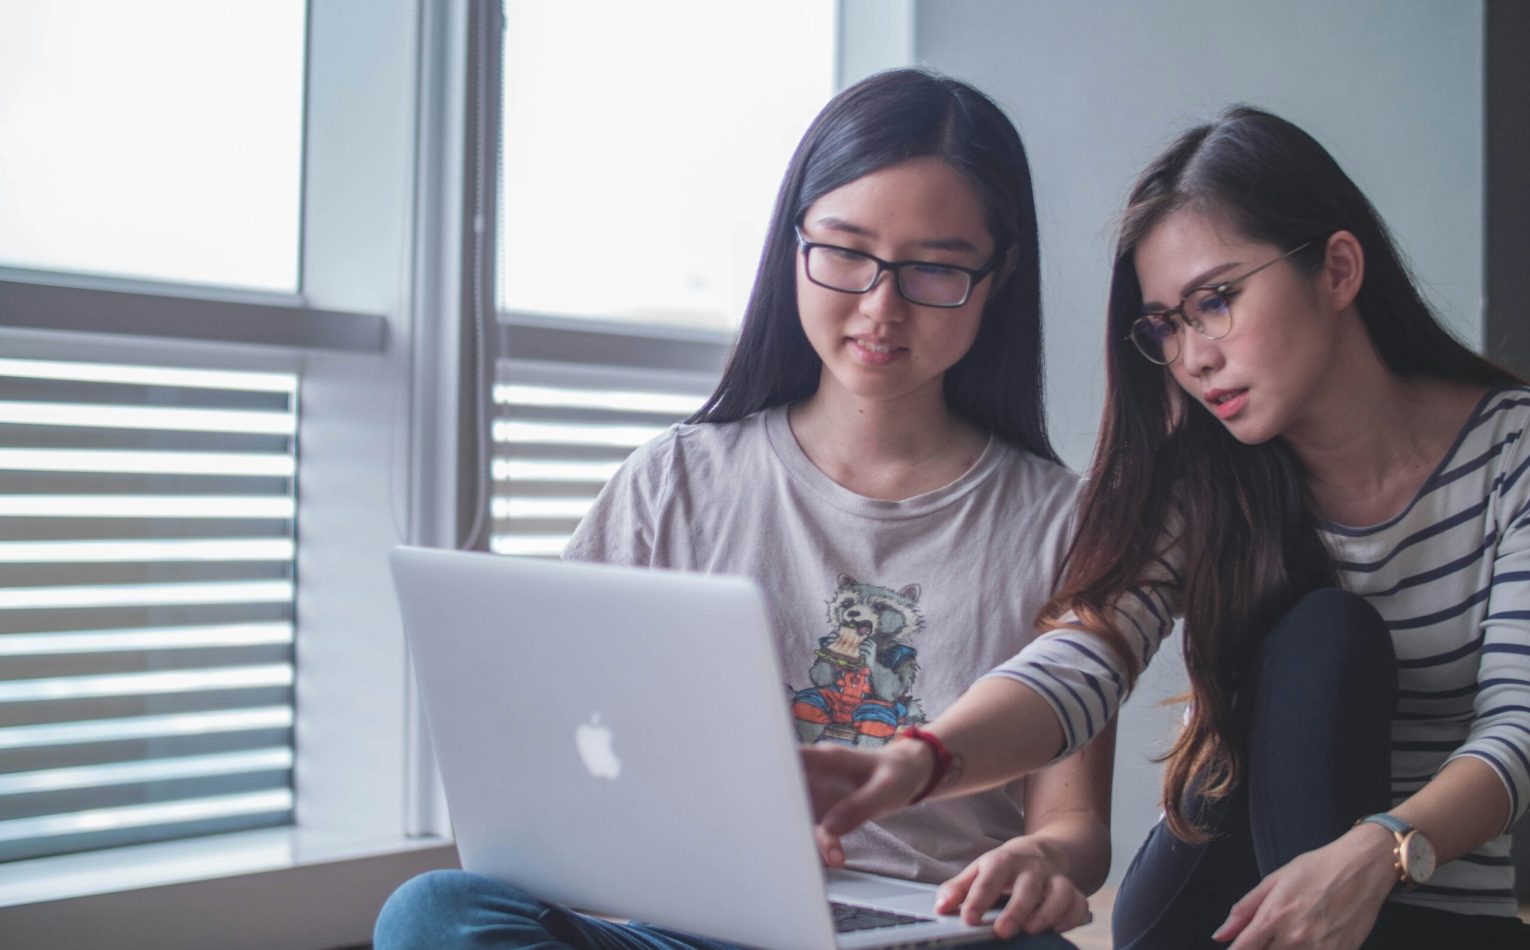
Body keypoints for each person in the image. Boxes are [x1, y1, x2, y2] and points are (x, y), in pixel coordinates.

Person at [373, 68, 1112, 950]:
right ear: (791, 242)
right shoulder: (673, 484)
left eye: (935, 270)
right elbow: (564, 761)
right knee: (434, 913)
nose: (882, 306)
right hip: (698, 930)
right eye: (845, 251)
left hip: (934, 934)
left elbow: (1075, 826)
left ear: (998, 276)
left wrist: (1045, 865)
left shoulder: (1067, 523)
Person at [804, 105, 1530, 950]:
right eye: (1166, 325)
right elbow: (1085, 654)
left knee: (1334, 636)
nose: (1192, 358)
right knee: (1322, 636)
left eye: (1215, 301)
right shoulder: (1205, 474)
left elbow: (1519, 725)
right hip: (1234, 899)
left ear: (1337, 270)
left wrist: (1380, 851)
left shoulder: (1512, 451)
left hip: (1427, 902)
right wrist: (918, 761)